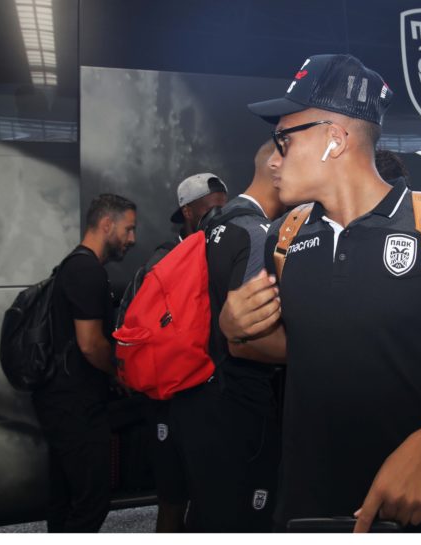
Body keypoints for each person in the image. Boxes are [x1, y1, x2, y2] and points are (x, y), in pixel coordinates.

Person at [219, 53, 421, 532]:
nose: (273, 158)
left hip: (417, 506)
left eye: (284, 139)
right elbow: (299, 346)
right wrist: (234, 330)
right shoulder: (283, 240)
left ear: (335, 139)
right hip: (307, 505)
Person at [167, 142, 286, 531]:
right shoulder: (258, 233)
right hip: (236, 403)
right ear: (276, 167)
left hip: (195, 393)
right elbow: (247, 340)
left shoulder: (211, 227)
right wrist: (322, 351)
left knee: (206, 514)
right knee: (243, 521)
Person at [32, 193, 137, 532]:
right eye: (128, 229)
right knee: (92, 502)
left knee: (64, 498)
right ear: (106, 224)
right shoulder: (86, 270)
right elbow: (91, 344)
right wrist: (120, 373)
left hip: (60, 401)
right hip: (76, 406)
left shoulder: (73, 265)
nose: (132, 239)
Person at [139, 173, 229, 532]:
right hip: (171, 401)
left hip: (209, 398)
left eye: (224, 209)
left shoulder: (221, 252)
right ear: (188, 212)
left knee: (209, 498)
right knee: (173, 500)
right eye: (211, 210)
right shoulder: (165, 260)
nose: (219, 218)